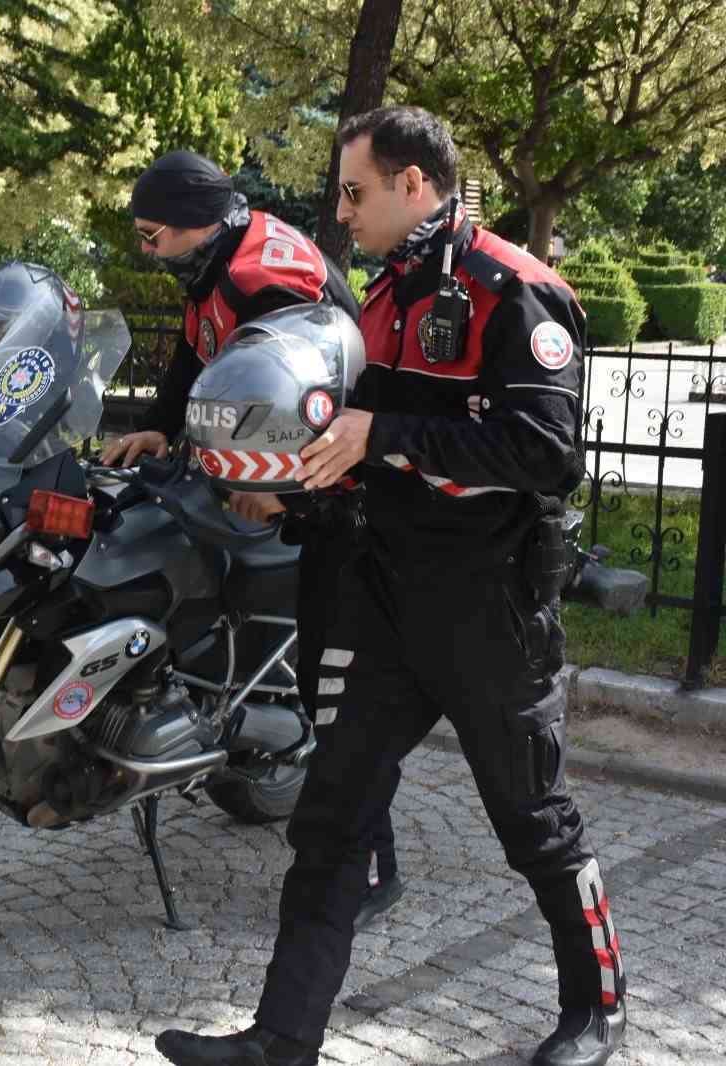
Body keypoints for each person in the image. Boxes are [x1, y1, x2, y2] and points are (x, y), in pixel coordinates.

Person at [156, 106, 625, 1066]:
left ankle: (596, 1009)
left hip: (487, 608)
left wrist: (386, 437)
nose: (340, 212)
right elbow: (357, 451)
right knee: (330, 824)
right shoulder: (378, 301)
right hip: (381, 601)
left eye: (354, 192)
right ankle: (283, 1040)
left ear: (416, 184)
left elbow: (546, 453)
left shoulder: (515, 293)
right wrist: (289, 494)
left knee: (536, 825)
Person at [102, 150, 405, 926]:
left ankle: (375, 868)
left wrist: (274, 482)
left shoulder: (264, 277)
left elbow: (306, 385)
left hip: (326, 479)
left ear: (195, 224)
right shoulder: (214, 266)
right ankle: (208, 717)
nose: (147, 250)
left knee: (332, 686)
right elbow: (195, 354)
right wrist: (158, 431)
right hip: (268, 462)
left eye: (153, 235)